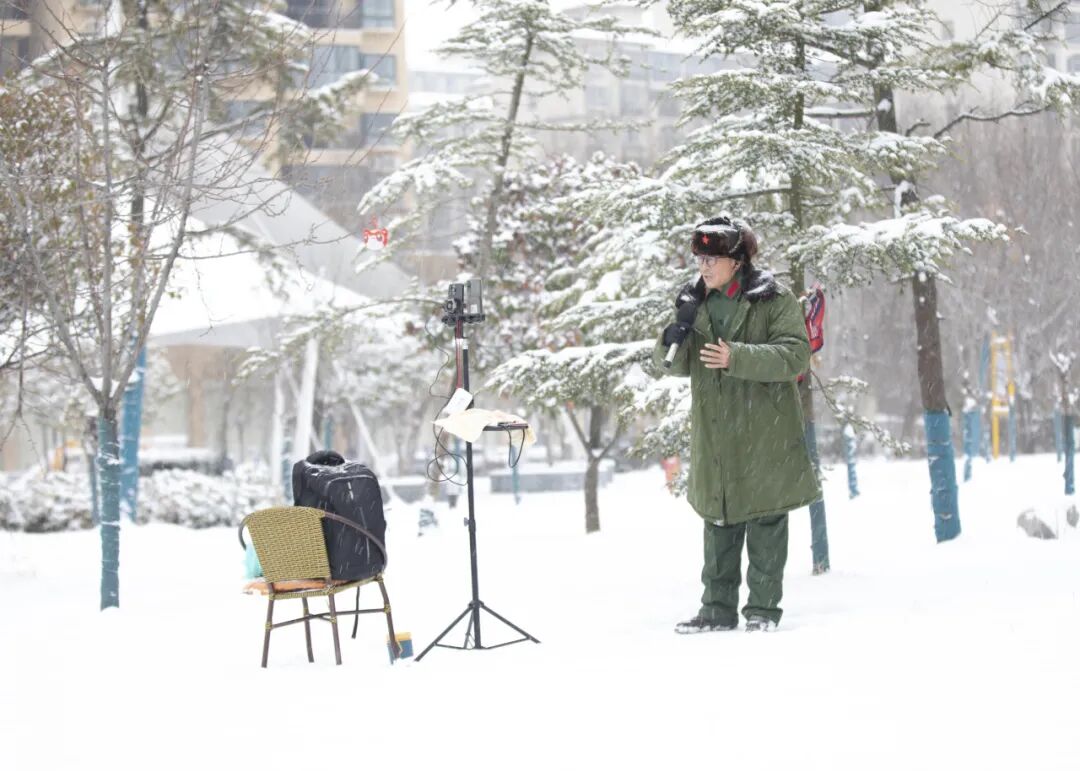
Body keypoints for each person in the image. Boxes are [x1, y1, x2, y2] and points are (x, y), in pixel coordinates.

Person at [653, 216, 821, 633]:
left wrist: (738, 357)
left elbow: (795, 356)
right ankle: (716, 609)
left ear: (737, 260)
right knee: (719, 520)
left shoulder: (772, 298)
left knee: (765, 522)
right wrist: (673, 335)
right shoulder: (696, 299)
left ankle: (763, 610)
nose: (704, 267)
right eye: (700, 258)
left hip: (765, 431)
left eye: (712, 259)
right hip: (717, 434)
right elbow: (671, 365)